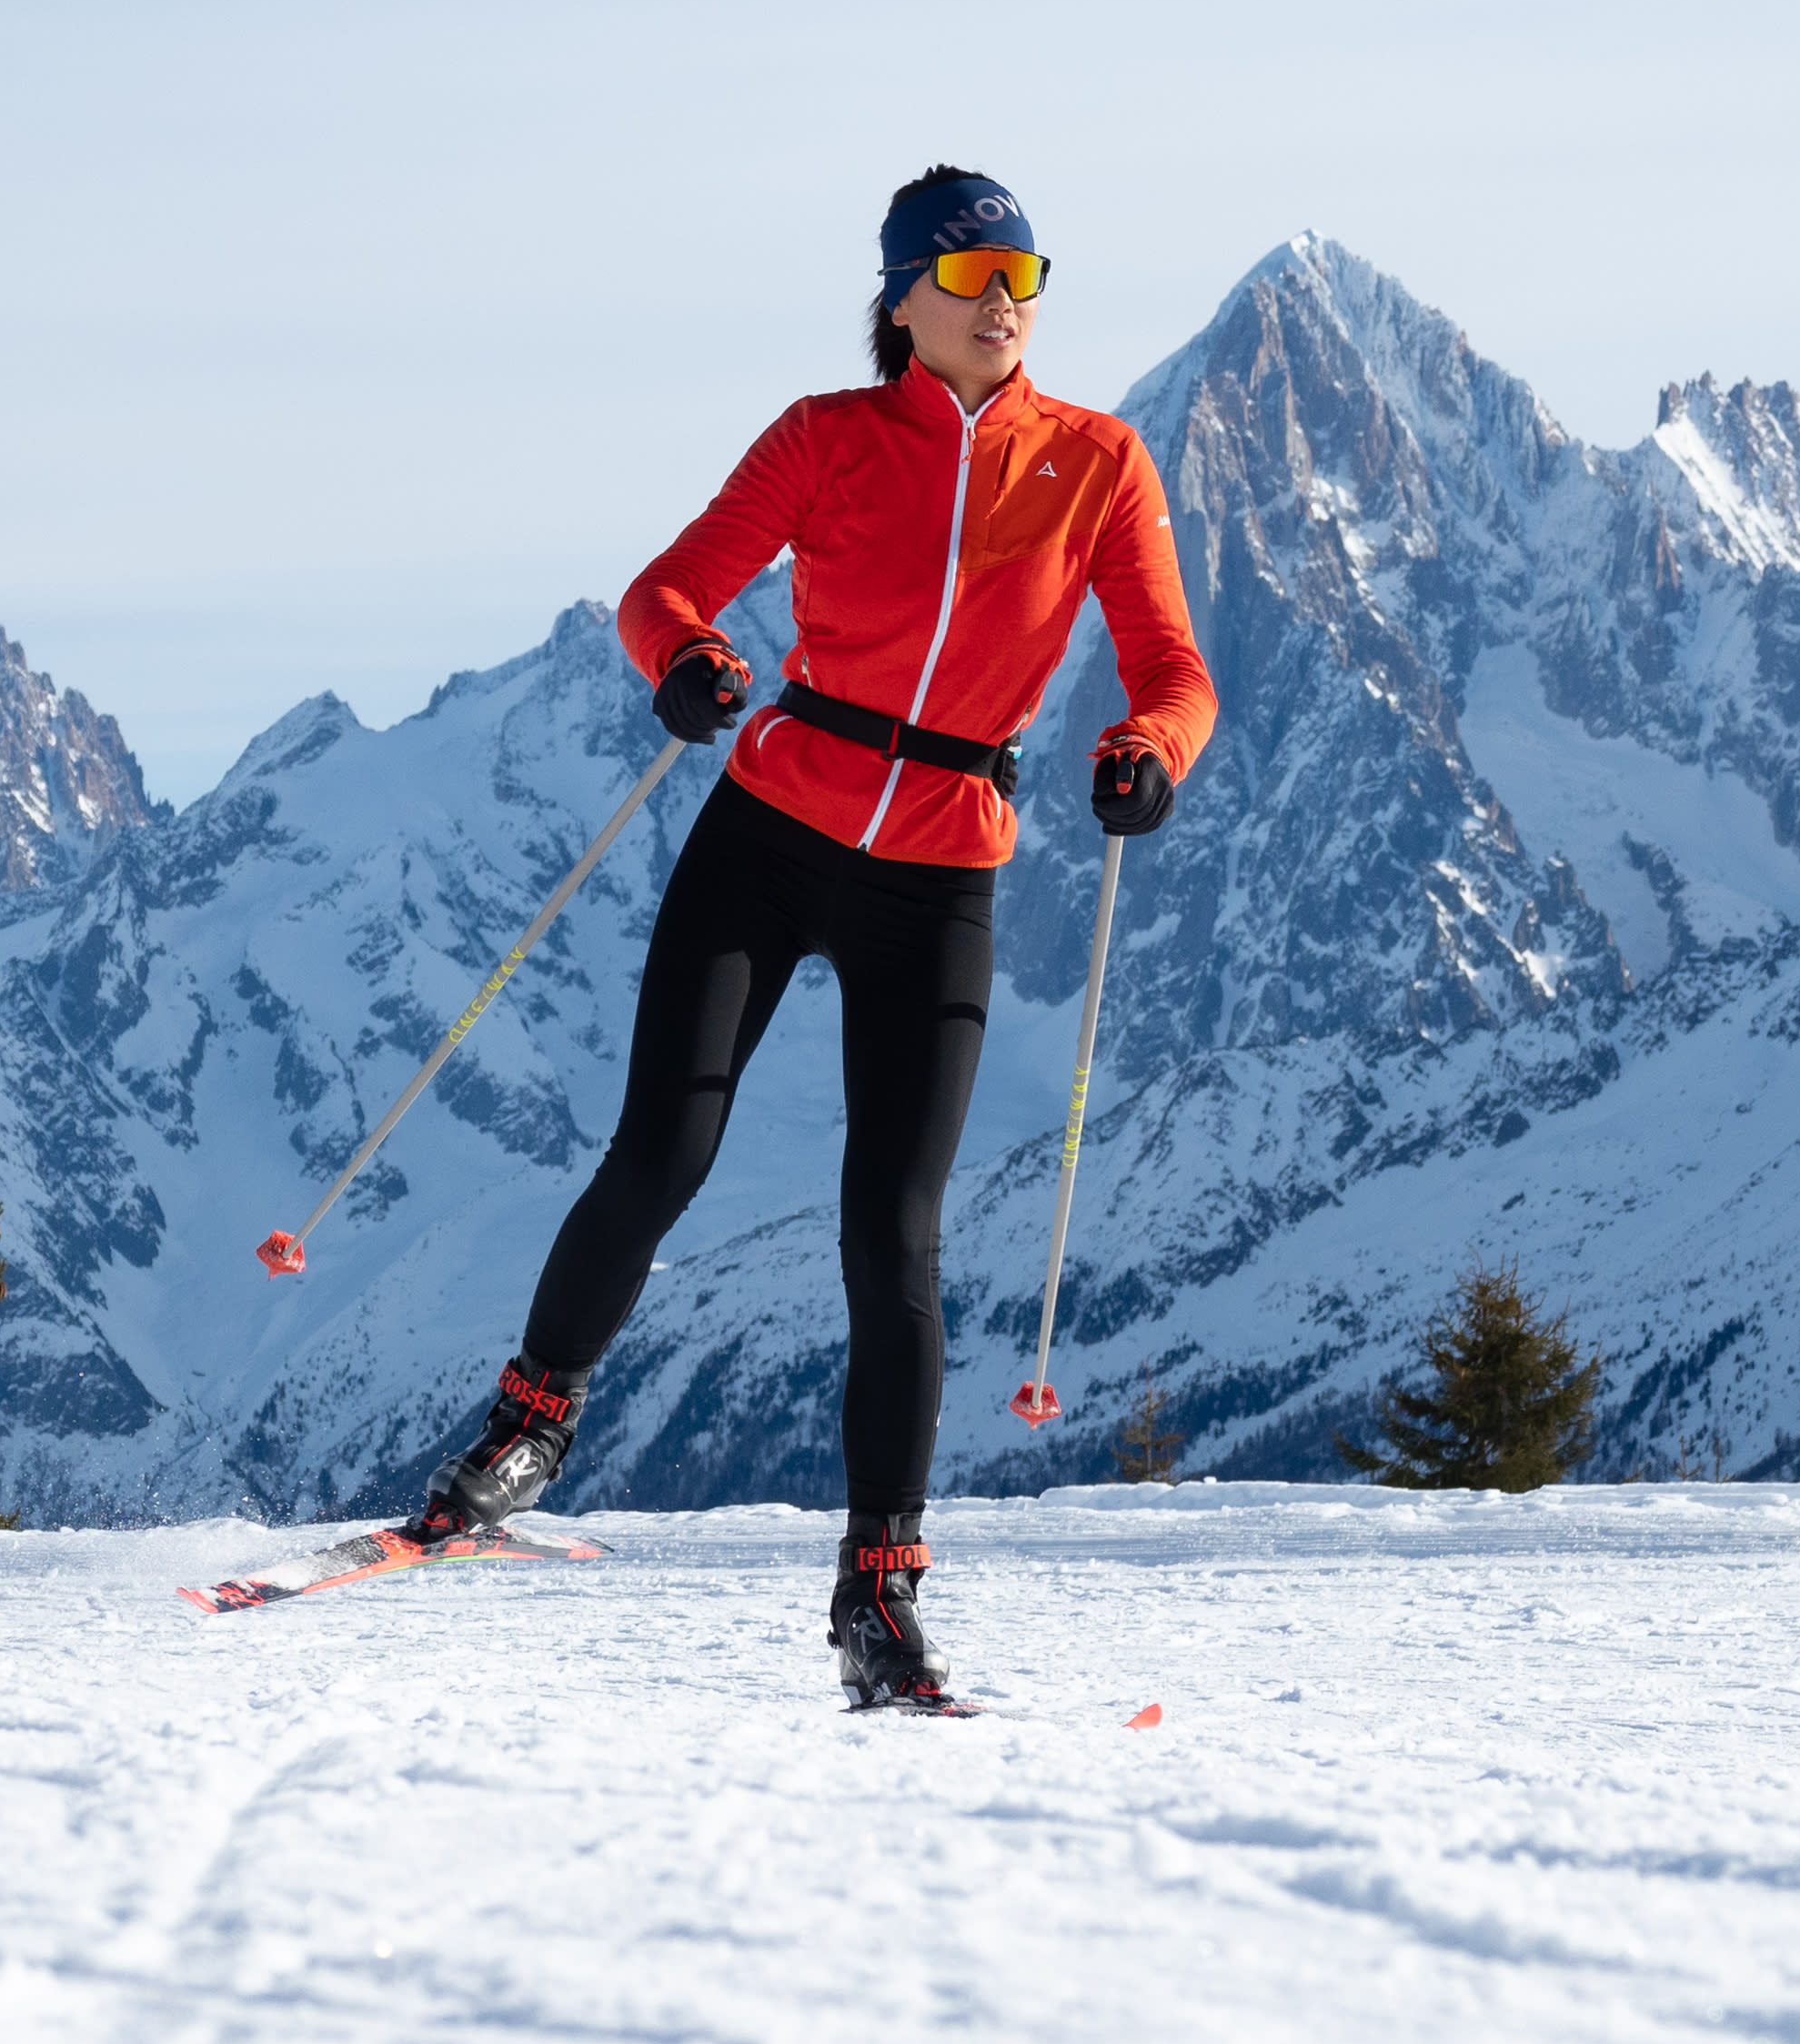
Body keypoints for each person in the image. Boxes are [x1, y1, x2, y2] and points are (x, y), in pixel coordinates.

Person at [392, 165, 1216, 1707]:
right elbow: (668, 590)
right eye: (974, 276)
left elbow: (1174, 664)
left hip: (939, 867)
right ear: (903, 297)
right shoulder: (826, 436)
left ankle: (879, 1591)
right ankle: (528, 1427)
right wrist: (691, 659)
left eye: (1027, 275)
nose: (1006, 303)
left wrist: (1151, 751)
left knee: (888, 1234)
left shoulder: (1097, 460)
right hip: (772, 829)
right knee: (663, 1153)